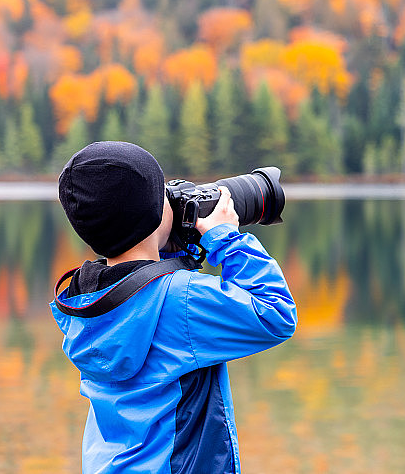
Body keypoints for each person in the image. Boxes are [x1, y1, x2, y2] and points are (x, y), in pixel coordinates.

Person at [50, 141, 297, 474]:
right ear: (150, 214)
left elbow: (141, 285)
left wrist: (167, 251)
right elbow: (277, 314)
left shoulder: (87, 301)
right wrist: (225, 237)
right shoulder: (179, 301)